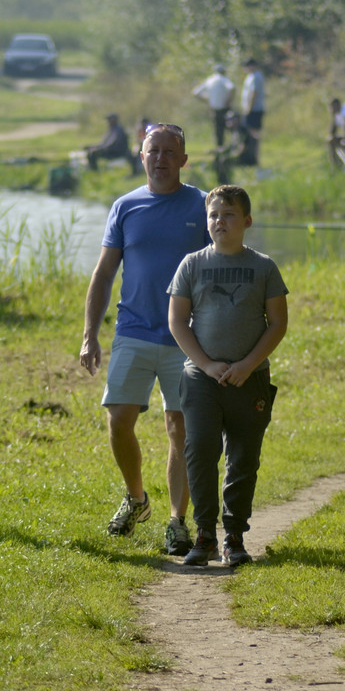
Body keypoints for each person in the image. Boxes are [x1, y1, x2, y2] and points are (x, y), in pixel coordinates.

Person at [80, 123, 210, 555]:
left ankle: (177, 521)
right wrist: (89, 335)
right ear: (141, 157)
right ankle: (136, 499)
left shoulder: (202, 205)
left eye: (170, 152)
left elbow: (219, 266)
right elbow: (103, 274)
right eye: (153, 151)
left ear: (183, 159)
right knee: (119, 420)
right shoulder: (125, 206)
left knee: (179, 428)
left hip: (185, 338)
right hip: (133, 330)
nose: (161, 159)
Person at [168, 184, 289, 567]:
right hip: (201, 379)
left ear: (247, 221)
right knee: (200, 451)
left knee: (243, 458)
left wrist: (247, 365)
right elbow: (177, 321)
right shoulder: (192, 264)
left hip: (249, 380)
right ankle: (204, 534)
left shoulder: (264, 267)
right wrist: (207, 364)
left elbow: (278, 324)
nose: (220, 221)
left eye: (229, 214)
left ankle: (234, 537)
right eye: (213, 215)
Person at [192, 64, 236, 148]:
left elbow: (196, 93)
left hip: (214, 109)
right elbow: (232, 88)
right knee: (230, 129)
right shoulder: (224, 79)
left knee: (218, 130)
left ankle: (220, 147)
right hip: (225, 108)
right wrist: (229, 101)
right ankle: (231, 147)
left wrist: (208, 100)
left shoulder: (210, 80)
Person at [241, 58, 267, 145]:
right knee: (249, 130)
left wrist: (249, 108)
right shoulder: (250, 76)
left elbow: (254, 93)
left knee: (254, 131)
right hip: (251, 108)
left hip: (254, 108)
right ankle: (251, 148)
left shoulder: (256, 77)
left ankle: (254, 149)